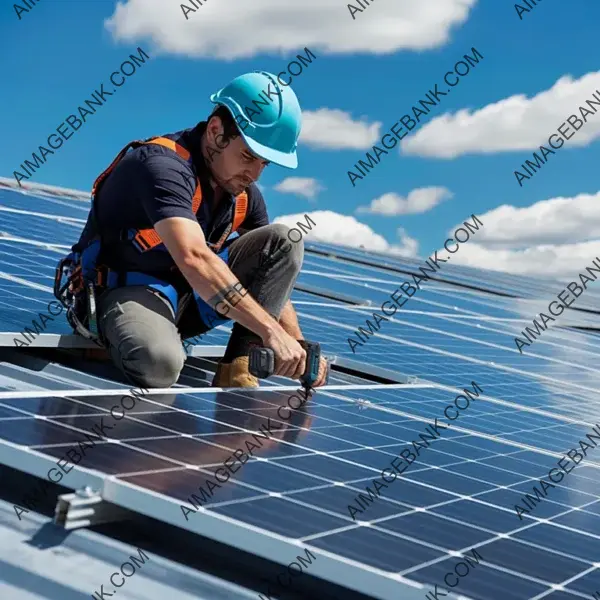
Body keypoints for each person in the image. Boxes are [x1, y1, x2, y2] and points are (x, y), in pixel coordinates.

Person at [61, 71, 328, 390]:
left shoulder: (241, 193)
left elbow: (270, 278)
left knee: (283, 241)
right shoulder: (162, 166)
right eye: (248, 157)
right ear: (216, 132)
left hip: (190, 298)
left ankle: (238, 370)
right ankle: (112, 339)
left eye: (264, 164)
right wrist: (272, 332)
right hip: (125, 290)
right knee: (159, 363)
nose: (255, 174)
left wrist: (296, 345)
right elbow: (194, 258)